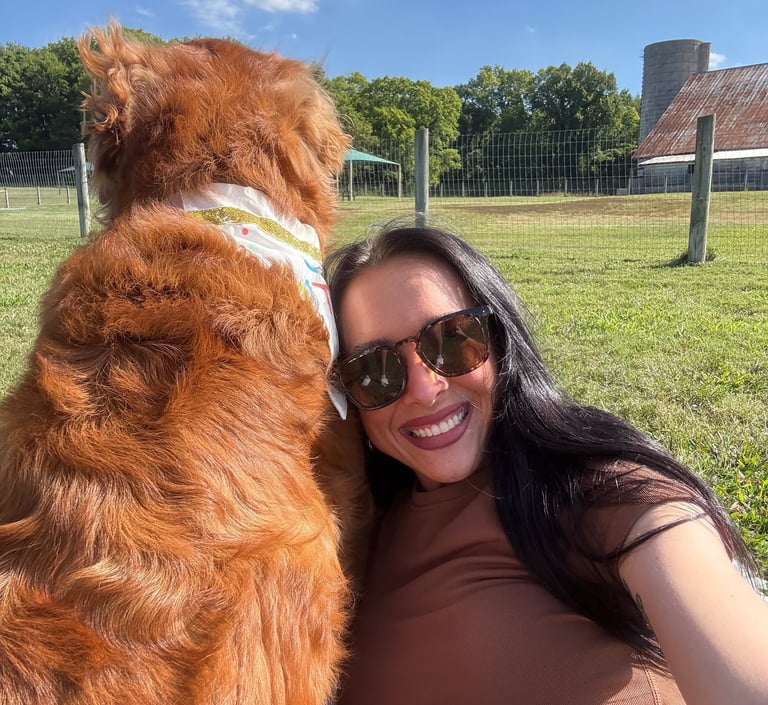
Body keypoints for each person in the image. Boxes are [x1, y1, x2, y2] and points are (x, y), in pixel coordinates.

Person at [324, 219, 768, 705]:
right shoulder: (358, 534)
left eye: (452, 339)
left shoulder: (594, 491)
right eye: (375, 369)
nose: (425, 389)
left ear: (500, 340)